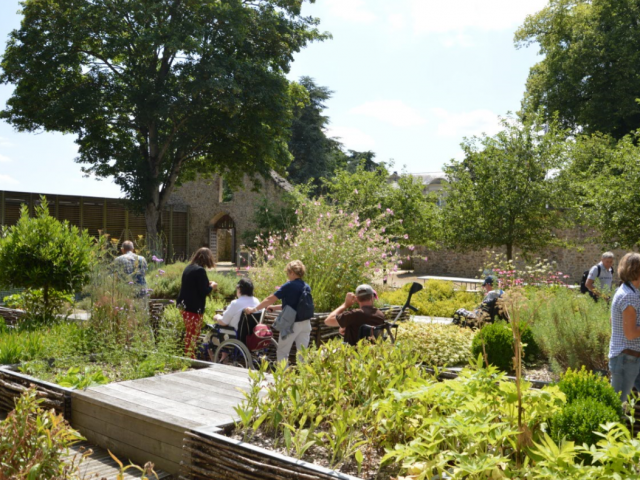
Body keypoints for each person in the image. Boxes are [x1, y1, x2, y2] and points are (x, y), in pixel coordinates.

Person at [245, 260, 311, 363]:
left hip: (291, 323)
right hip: (306, 323)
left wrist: (254, 309)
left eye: (288, 273)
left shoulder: (289, 285)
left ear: (292, 273)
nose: (288, 275)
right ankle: (303, 377)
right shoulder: (306, 286)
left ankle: (284, 377)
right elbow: (294, 305)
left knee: (282, 352)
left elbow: (270, 299)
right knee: (302, 354)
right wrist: (275, 308)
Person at [608, 252, 640, 402]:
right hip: (626, 358)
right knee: (617, 405)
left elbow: (613, 320)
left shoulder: (627, 291)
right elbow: (631, 333)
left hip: (630, 357)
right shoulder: (629, 296)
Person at [177, 247, 218, 358]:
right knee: (193, 334)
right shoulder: (200, 270)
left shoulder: (189, 268)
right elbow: (203, 291)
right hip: (194, 307)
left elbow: (193, 285)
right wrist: (212, 286)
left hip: (184, 305)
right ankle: (190, 357)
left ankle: (189, 355)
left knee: (189, 333)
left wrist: (206, 283)